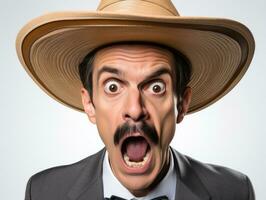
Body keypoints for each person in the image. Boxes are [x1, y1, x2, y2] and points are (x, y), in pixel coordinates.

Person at [16, 0, 255, 199]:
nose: (135, 109)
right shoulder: (43, 192)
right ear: (89, 103)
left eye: (156, 87)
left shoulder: (234, 191)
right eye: (112, 86)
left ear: (181, 103)